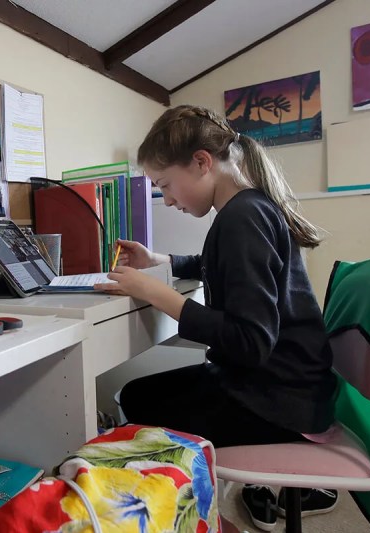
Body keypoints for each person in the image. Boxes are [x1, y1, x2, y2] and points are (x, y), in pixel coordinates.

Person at [95, 105, 338, 532]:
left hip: (278, 402)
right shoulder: (246, 209)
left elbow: (250, 342)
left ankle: (190, 516)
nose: (168, 200)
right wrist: (160, 260)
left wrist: (158, 294)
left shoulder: (243, 218)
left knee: (139, 403)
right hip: (290, 389)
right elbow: (215, 263)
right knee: (137, 395)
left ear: (202, 162)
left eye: (165, 185)